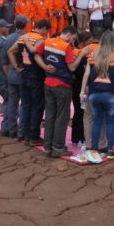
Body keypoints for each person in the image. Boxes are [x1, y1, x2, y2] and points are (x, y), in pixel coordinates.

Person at [35, 26, 91, 157]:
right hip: (62, 85)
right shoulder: (66, 47)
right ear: (71, 35)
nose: (73, 41)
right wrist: (81, 54)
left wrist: (44, 66)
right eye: (73, 38)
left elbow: (36, 54)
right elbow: (72, 67)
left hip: (48, 83)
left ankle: (48, 146)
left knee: (50, 116)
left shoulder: (48, 41)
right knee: (62, 117)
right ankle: (58, 147)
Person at [81, 31, 114, 161]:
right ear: (113, 41)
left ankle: (93, 149)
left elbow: (86, 75)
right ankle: (110, 150)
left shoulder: (92, 56)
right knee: (110, 122)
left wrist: (82, 91)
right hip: (110, 94)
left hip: (94, 94)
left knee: (97, 122)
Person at [10, 19, 50, 144]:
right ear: (43, 28)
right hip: (36, 75)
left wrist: (17, 67)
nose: (46, 33)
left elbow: (10, 51)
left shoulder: (24, 36)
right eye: (46, 31)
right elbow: (37, 54)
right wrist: (45, 67)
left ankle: (23, 133)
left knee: (26, 105)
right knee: (37, 107)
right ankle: (34, 136)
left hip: (24, 74)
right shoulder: (40, 40)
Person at [2, 16, 27, 137]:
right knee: (23, 104)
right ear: (26, 25)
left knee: (12, 103)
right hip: (23, 74)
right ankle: (21, 131)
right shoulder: (26, 38)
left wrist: (8, 73)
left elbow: (4, 60)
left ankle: (11, 129)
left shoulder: (8, 39)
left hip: (11, 74)